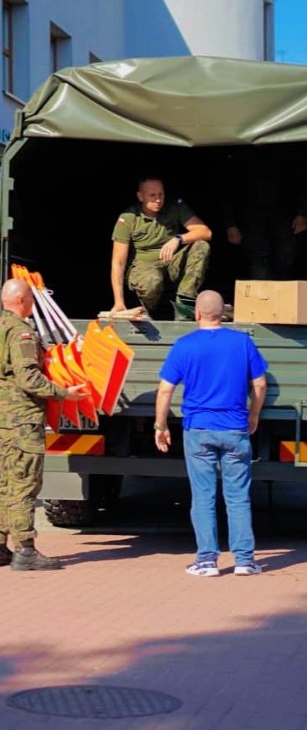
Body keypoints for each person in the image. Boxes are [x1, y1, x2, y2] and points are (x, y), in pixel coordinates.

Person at [154, 290, 268, 577]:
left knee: (203, 496)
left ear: (197, 314)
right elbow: (260, 385)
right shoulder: (242, 342)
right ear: (223, 314)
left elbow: (166, 389)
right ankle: (244, 560)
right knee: (238, 496)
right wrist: (253, 414)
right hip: (234, 429)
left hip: (199, 429)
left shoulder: (184, 345)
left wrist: (161, 425)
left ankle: (207, 561)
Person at [0, 278, 88, 571]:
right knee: (25, 484)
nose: (32, 304)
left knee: (7, 483)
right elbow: (29, 378)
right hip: (19, 419)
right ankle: (25, 550)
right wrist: (65, 393)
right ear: (20, 301)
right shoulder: (21, 334)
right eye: (30, 299)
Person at [110, 176, 212, 320]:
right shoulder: (128, 218)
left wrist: (178, 239)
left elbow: (205, 232)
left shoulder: (174, 207)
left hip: (171, 263)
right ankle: (149, 309)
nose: (158, 200)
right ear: (140, 196)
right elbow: (118, 263)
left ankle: (185, 305)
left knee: (201, 246)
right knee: (153, 280)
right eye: (152, 196)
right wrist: (119, 302)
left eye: (160, 194)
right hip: (144, 268)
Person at [221, 146, 307, 280]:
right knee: (258, 256)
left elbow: (302, 180)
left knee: (286, 253)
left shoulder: (285, 149)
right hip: (251, 213)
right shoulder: (240, 154)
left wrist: (302, 212)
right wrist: (230, 224)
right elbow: (227, 190)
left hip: (283, 209)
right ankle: (263, 296)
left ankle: (280, 290)